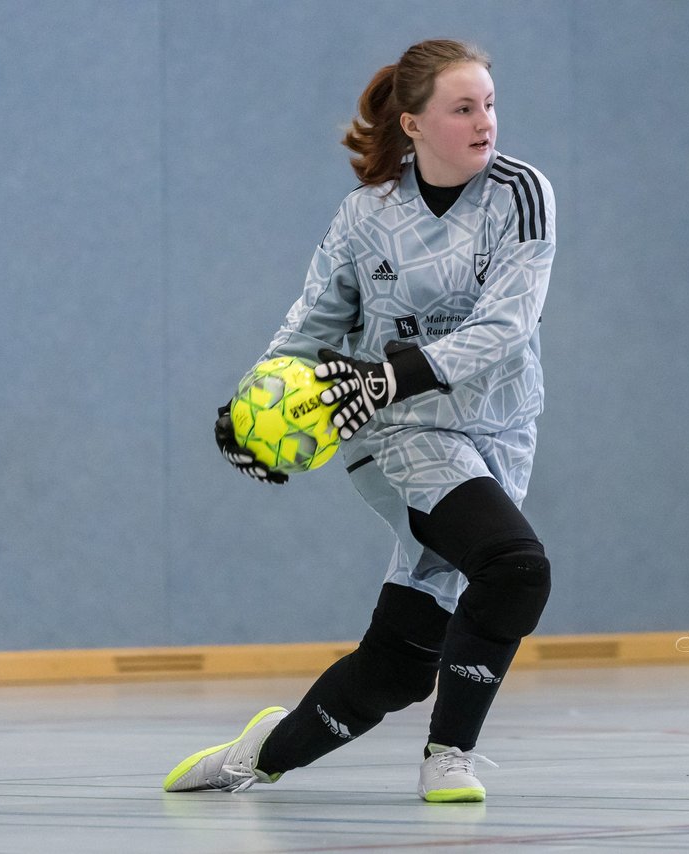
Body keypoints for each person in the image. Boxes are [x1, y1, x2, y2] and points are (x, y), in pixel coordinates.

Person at [163, 38, 556, 803]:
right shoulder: (366, 218)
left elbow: (507, 325)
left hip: (499, 433)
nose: (486, 122)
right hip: (395, 432)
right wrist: (246, 413)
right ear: (412, 125)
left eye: (490, 104)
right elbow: (308, 330)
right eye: (464, 108)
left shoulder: (522, 193)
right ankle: (450, 756)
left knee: (401, 663)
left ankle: (260, 754)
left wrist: (389, 371)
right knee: (516, 567)